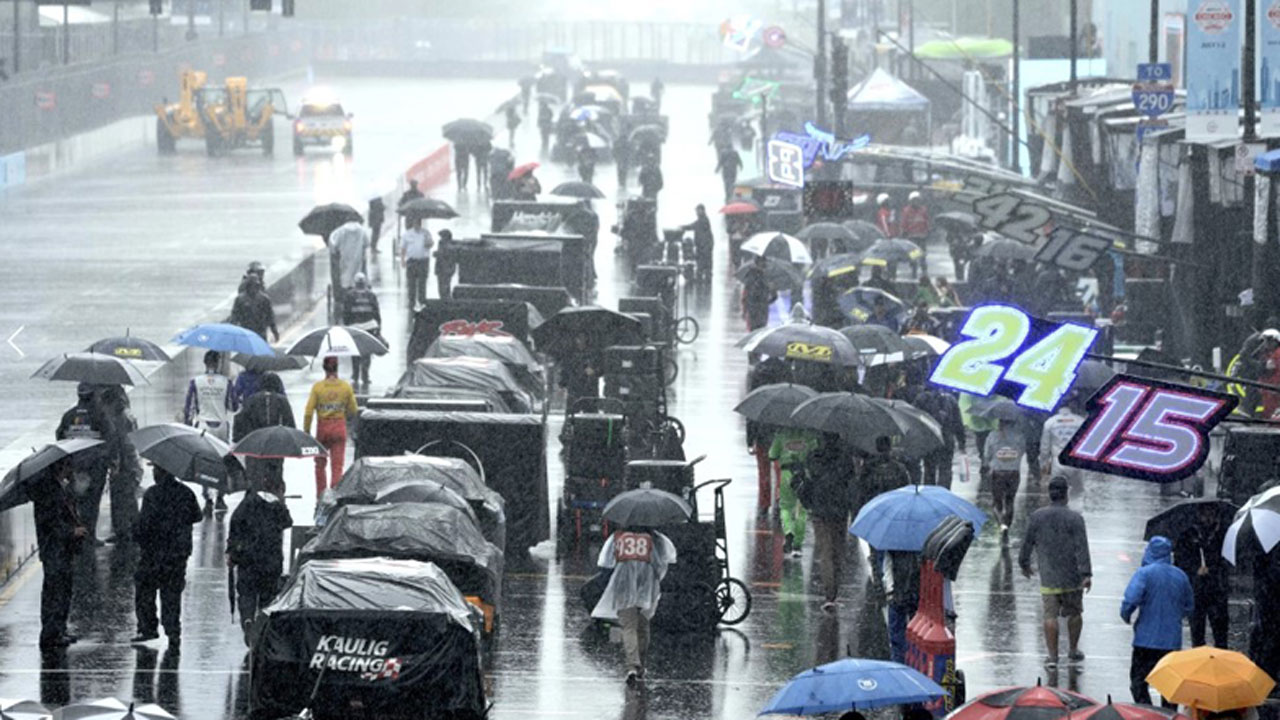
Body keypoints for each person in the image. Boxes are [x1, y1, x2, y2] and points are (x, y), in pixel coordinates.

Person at [1020, 476, 1092, 668]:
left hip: (1049, 576)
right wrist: (1086, 574)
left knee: (1050, 615)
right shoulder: (1076, 518)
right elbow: (1082, 547)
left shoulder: (1037, 517)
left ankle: (1052, 656)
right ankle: (1073, 649)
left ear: (1050, 494)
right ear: (1066, 494)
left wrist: (1024, 563)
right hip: (1072, 576)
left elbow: (1027, 542)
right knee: (1075, 613)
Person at [591, 524, 677, 687]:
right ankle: (641, 665)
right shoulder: (656, 539)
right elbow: (663, 563)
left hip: (623, 584)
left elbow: (605, 562)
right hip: (647, 586)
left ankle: (632, 666)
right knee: (643, 625)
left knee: (628, 626)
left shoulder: (618, 537)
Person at [131, 465, 201, 651]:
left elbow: (144, 525)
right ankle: (173, 630)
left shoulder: (152, 494)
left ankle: (148, 628)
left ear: (160, 473)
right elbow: (197, 516)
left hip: (153, 553)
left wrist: (135, 533)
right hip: (177, 554)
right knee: (172, 594)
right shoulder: (186, 493)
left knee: (145, 590)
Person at [1121, 535, 1194, 706]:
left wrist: (1126, 615)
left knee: (1139, 683)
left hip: (1145, 640)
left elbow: (1131, 599)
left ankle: (1147, 713)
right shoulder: (1181, 576)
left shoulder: (1144, 574)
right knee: (1169, 688)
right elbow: (1189, 606)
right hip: (1171, 642)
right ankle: (1168, 716)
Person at [226, 475, 293, 646]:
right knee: (268, 596)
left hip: (247, 559)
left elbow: (235, 527)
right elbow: (287, 522)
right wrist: (282, 502)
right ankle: (261, 629)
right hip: (271, 560)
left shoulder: (247, 503)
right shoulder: (277, 506)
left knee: (246, 594)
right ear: (279, 489)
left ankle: (247, 620)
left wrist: (231, 552)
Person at [29, 456, 86, 650]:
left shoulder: (58, 487)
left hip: (61, 549)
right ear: (62, 466)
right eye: (69, 466)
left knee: (64, 590)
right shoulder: (48, 491)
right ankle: (51, 633)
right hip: (54, 549)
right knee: (55, 591)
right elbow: (51, 524)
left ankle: (59, 629)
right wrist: (72, 531)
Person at [797, 434, 857, 611]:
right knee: (838, 551)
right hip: (839, 510)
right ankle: (835, 590)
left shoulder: (813, 458)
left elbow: (808, 479)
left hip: (820, 509)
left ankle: (829, 594)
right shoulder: (845, 459)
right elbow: (851, 483)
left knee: (825, 552)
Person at [184, 351, 237, 514]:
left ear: (205, 363)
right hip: (221, 426)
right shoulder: (226, 382)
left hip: (202, 426)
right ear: (218, 363)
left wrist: (188, 424)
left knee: (204, 463)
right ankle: (220, 498)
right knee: (222, 462)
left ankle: (207, 498)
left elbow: (188, 408)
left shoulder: (196, 382)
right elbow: (233, 406)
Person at [1172, 503, 1231, 648]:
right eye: (1205, 514)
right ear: (1199, 515)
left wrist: (1214, 568)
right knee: (1197, 634)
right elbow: (1180, 561)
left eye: (1212, 514)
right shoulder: (1188, 535)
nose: (1208, 518)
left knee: (1221, 633)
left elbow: (1229, 560)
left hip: (1218, 590)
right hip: (1196, 590)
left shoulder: (1223, 534)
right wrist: (1194, 570)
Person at [57, 384, 110, 541]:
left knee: (74, 502)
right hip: (95, 467)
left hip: (73, 467)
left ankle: (76, 532)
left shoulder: (68, 416)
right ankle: (89, 535)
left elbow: (59, 437)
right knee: (92, 504)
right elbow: (110, 439)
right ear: (93, 396)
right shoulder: (99, 415)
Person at [303, 357, 358, 499]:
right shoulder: (345, 387)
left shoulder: (318, 387)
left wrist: (306, 431)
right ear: (337, 367)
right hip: (339, 427)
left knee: (320, 465)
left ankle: (321, 495)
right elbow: (353, 410)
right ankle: (334, 495)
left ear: (324, 367)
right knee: (337, 466)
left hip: (323, 428)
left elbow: (309, 411)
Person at [233, 372, 294, 491]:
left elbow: (239, 419)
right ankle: (276, 499)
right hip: (275, 445)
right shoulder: (282, 401)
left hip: (255, 444)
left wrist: (238, 439)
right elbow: (290, 424)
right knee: (275, 477)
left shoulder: (251, 400)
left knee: (254, 478)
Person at [98, 385, 141, 544]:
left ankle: (124, 532)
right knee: (128, 499)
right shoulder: (126, 415)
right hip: (130, 463)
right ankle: (131, 530)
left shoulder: (120, 419)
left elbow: (121, 443)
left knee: (122, 498)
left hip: (125, 464)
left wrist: (115, 462)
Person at [769, 427, 817, 558]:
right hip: (803, 475)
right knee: (802, 510)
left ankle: (788, 531)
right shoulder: (809, 436)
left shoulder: (781, 435)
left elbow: (772, 455)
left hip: (786, 474)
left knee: (785, 507)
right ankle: (797, 545)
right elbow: (815, 452)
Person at [913, 388, 965, 488]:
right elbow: (958, 423)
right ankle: (944, 492)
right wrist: (961, 442)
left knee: (929, 468)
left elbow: (914, 418)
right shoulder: (950, 399)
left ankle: (930, 492)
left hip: (929, 439)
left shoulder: (921, 399)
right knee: (945, 468)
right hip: (946, 439)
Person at [985, 418, 1025, 539]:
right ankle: (1007, 524)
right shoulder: (1019, 436)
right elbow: (1022, 451)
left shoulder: (992, 435)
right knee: (1010, 500)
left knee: (997, 502)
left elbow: (987, 454)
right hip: (1014, 472)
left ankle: (1001, 524)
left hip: (997, 472)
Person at [342, 272, 382, 388]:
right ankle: (365, 375)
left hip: (355, 327)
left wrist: (347, 326)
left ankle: (355, 375)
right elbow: (376, 313)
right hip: (369, 327)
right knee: (366, 353)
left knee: (354, 352)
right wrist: (378, 328)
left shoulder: (350, 295)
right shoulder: (371, 295)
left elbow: (346, 313)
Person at [884, 549, 921, 663]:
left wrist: (890, 590)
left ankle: (900, 663)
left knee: (897, 637)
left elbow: (887, 569)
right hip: (914, 594)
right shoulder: (922, 544)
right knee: (915, 635)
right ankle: (914, 662)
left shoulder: (893, 544)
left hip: (899, 593)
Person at [1039, 403, 1086, 483]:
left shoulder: (1050, 422)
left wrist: (1043, 462)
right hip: (1076, 461)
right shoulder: (1080, 421)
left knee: (1057, 488)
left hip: (1058, 460)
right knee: (1077, 491)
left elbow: (1045, 447)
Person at [329, 220, 368, 314]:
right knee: (355, 277)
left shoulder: (339, 232)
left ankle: (344, 303)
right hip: (357, 259)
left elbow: (334, 246)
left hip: (344, 260)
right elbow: (366, 244)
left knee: (344, 280)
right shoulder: (362, 231)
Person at [228, 273, 279, 343]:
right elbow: (235, 316)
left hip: (260, 331)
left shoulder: (264, 299)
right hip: (246, 331)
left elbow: (270, 316)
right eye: (251, 286)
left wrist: (274, 331)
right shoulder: (240, 299)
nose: (253, 288)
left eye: (255, 286)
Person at [401, 216, 433, 310]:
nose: (417, 225)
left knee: (422, 282)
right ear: (413, 223)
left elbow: (430, 244)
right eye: (415, 222)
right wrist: (403, 260)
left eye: (418, 223)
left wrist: (428, 242)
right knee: (411, 283)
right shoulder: (407, 234)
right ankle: (411, 302)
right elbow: (403, 248)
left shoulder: (426, 233)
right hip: (412, 261)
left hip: (423, 261)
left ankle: (422, 301)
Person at [741, 255, 776, 331]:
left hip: (761, 310)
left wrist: (772, 289)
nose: (764, 265)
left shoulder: (766, 278)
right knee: (755, 332)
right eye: (762, 263)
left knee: (759, 331)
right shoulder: (752, 277)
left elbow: (774, 297)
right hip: (754, 311)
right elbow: (747, 296)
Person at [682, 204, 714, 283]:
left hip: (704, 246)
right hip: (704, 245)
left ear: (702, 210)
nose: (696, 212)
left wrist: (682, 227)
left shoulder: (703, 220)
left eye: (698, 211)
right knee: (706, 264)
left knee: (703, 264)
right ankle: (705, 280)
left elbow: (693, 226)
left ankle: (702, 281)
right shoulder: (703, 219)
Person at [434, 229, 457, 300]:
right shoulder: (442, 244)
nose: (441, 238)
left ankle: (445, 300)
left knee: (444, 286)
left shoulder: (449, 246)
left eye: (442, 236)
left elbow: (446, 256)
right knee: (442, 286)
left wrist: (437, 254)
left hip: (445, 269)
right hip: (442, 269)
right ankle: (445, 299)